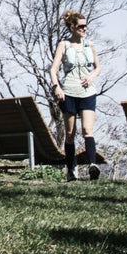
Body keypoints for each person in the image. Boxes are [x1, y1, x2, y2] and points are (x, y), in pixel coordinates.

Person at [49, 10, 101, 181]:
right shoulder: (63, 45)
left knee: (87, 129)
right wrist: (57, 87)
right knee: (70, 133)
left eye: (86, 26)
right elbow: (53, 69)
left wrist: (91, 76)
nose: (84, 29)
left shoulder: (90, 45)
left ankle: (93, 165)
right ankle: (71, 169)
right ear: (72, 27)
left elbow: (98, 67)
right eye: (81, 26)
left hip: (88, 93)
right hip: (69, 92)